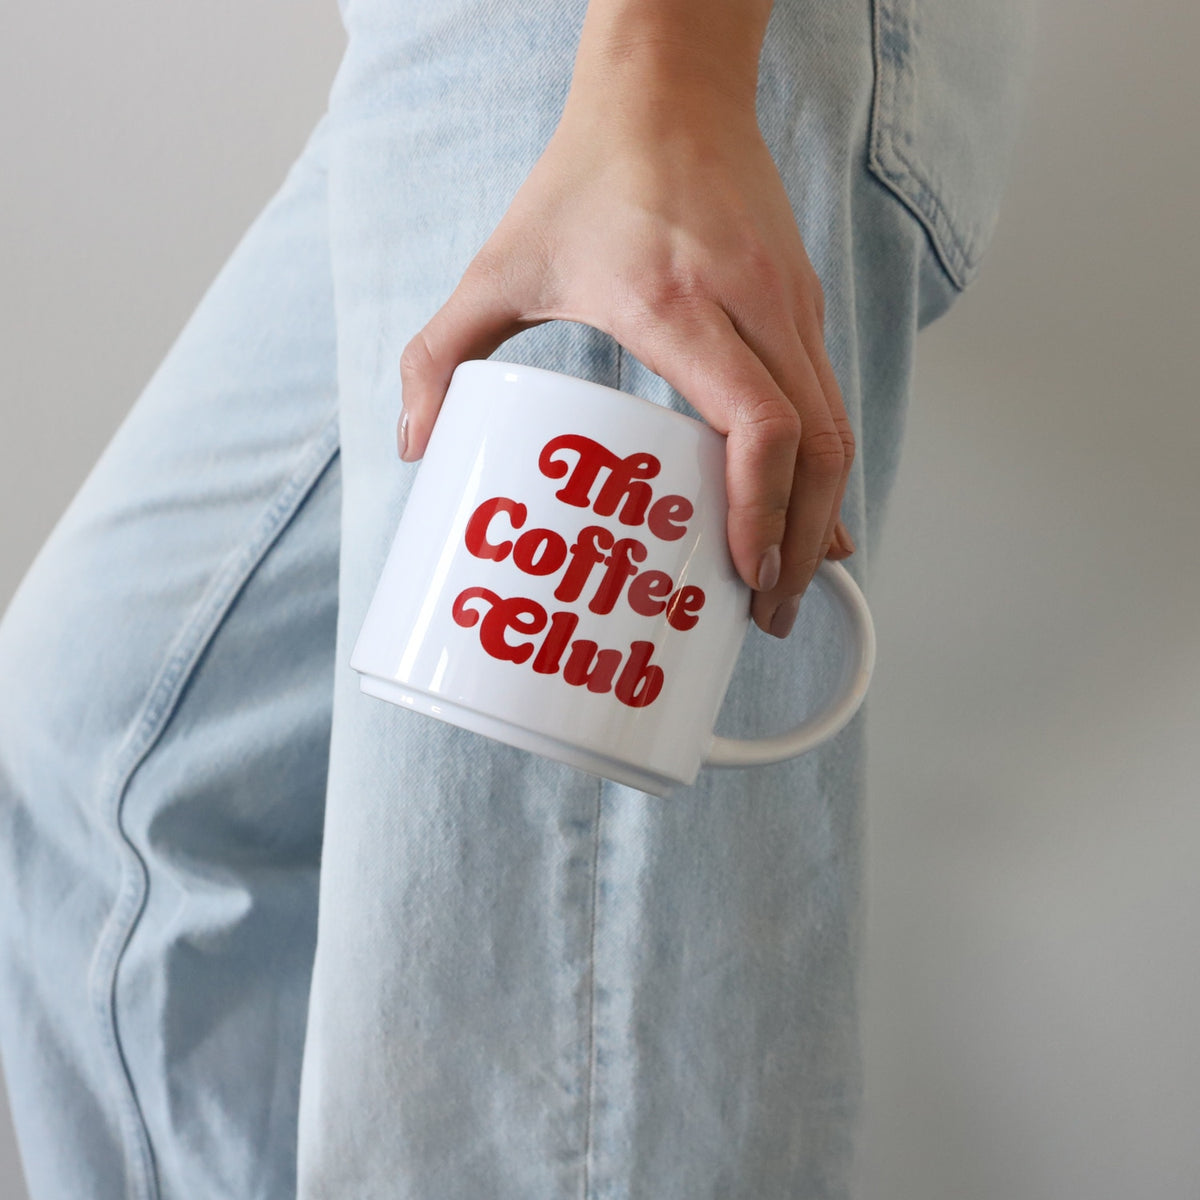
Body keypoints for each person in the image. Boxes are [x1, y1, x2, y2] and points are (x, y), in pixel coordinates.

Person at [0, 0, 1033, 1195]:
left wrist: (666, 80)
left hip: (625, 59)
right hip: (451, 54)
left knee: (515, 1091)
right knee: (106, 765)